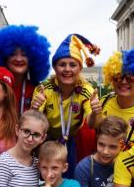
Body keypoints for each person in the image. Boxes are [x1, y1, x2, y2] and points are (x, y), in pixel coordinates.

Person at [31, 34, 102, 178]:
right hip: (47, 140)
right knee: (45, 179)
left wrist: (95, 113)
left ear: (80, 68)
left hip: (71, 141)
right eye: (62, 64)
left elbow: (92, 124)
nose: (67, 69)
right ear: (55, 68)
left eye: (73, 65)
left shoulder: (87, 91)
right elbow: (34, 122)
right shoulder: (44, 89)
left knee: (69, 180)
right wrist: (34, 109)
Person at [0, 25, 51, 115]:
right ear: (4, 58)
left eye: (24, 54)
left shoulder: (36, 90)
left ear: (32, 59)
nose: (19, 59)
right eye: (12, 54)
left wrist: (38, 110)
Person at [94, 48, 134, 134]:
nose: (124, 82)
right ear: (112, 79)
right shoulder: (103, 102)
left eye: (130, 78)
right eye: (119, 77)